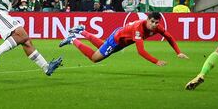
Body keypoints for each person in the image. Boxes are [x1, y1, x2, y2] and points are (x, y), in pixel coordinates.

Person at [59, 12, 189, 65]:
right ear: (147, 19)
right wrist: (156, 61)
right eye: (152, 22)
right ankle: (72, 39)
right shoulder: (139, 29)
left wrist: (178, 52)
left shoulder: (157, 27)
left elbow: (169, 37)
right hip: (117, 40)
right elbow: (141, 51)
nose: (154, 25)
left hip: (122, 38)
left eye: (156, 22)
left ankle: (82, 31)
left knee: (101, 47)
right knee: (95, 58)